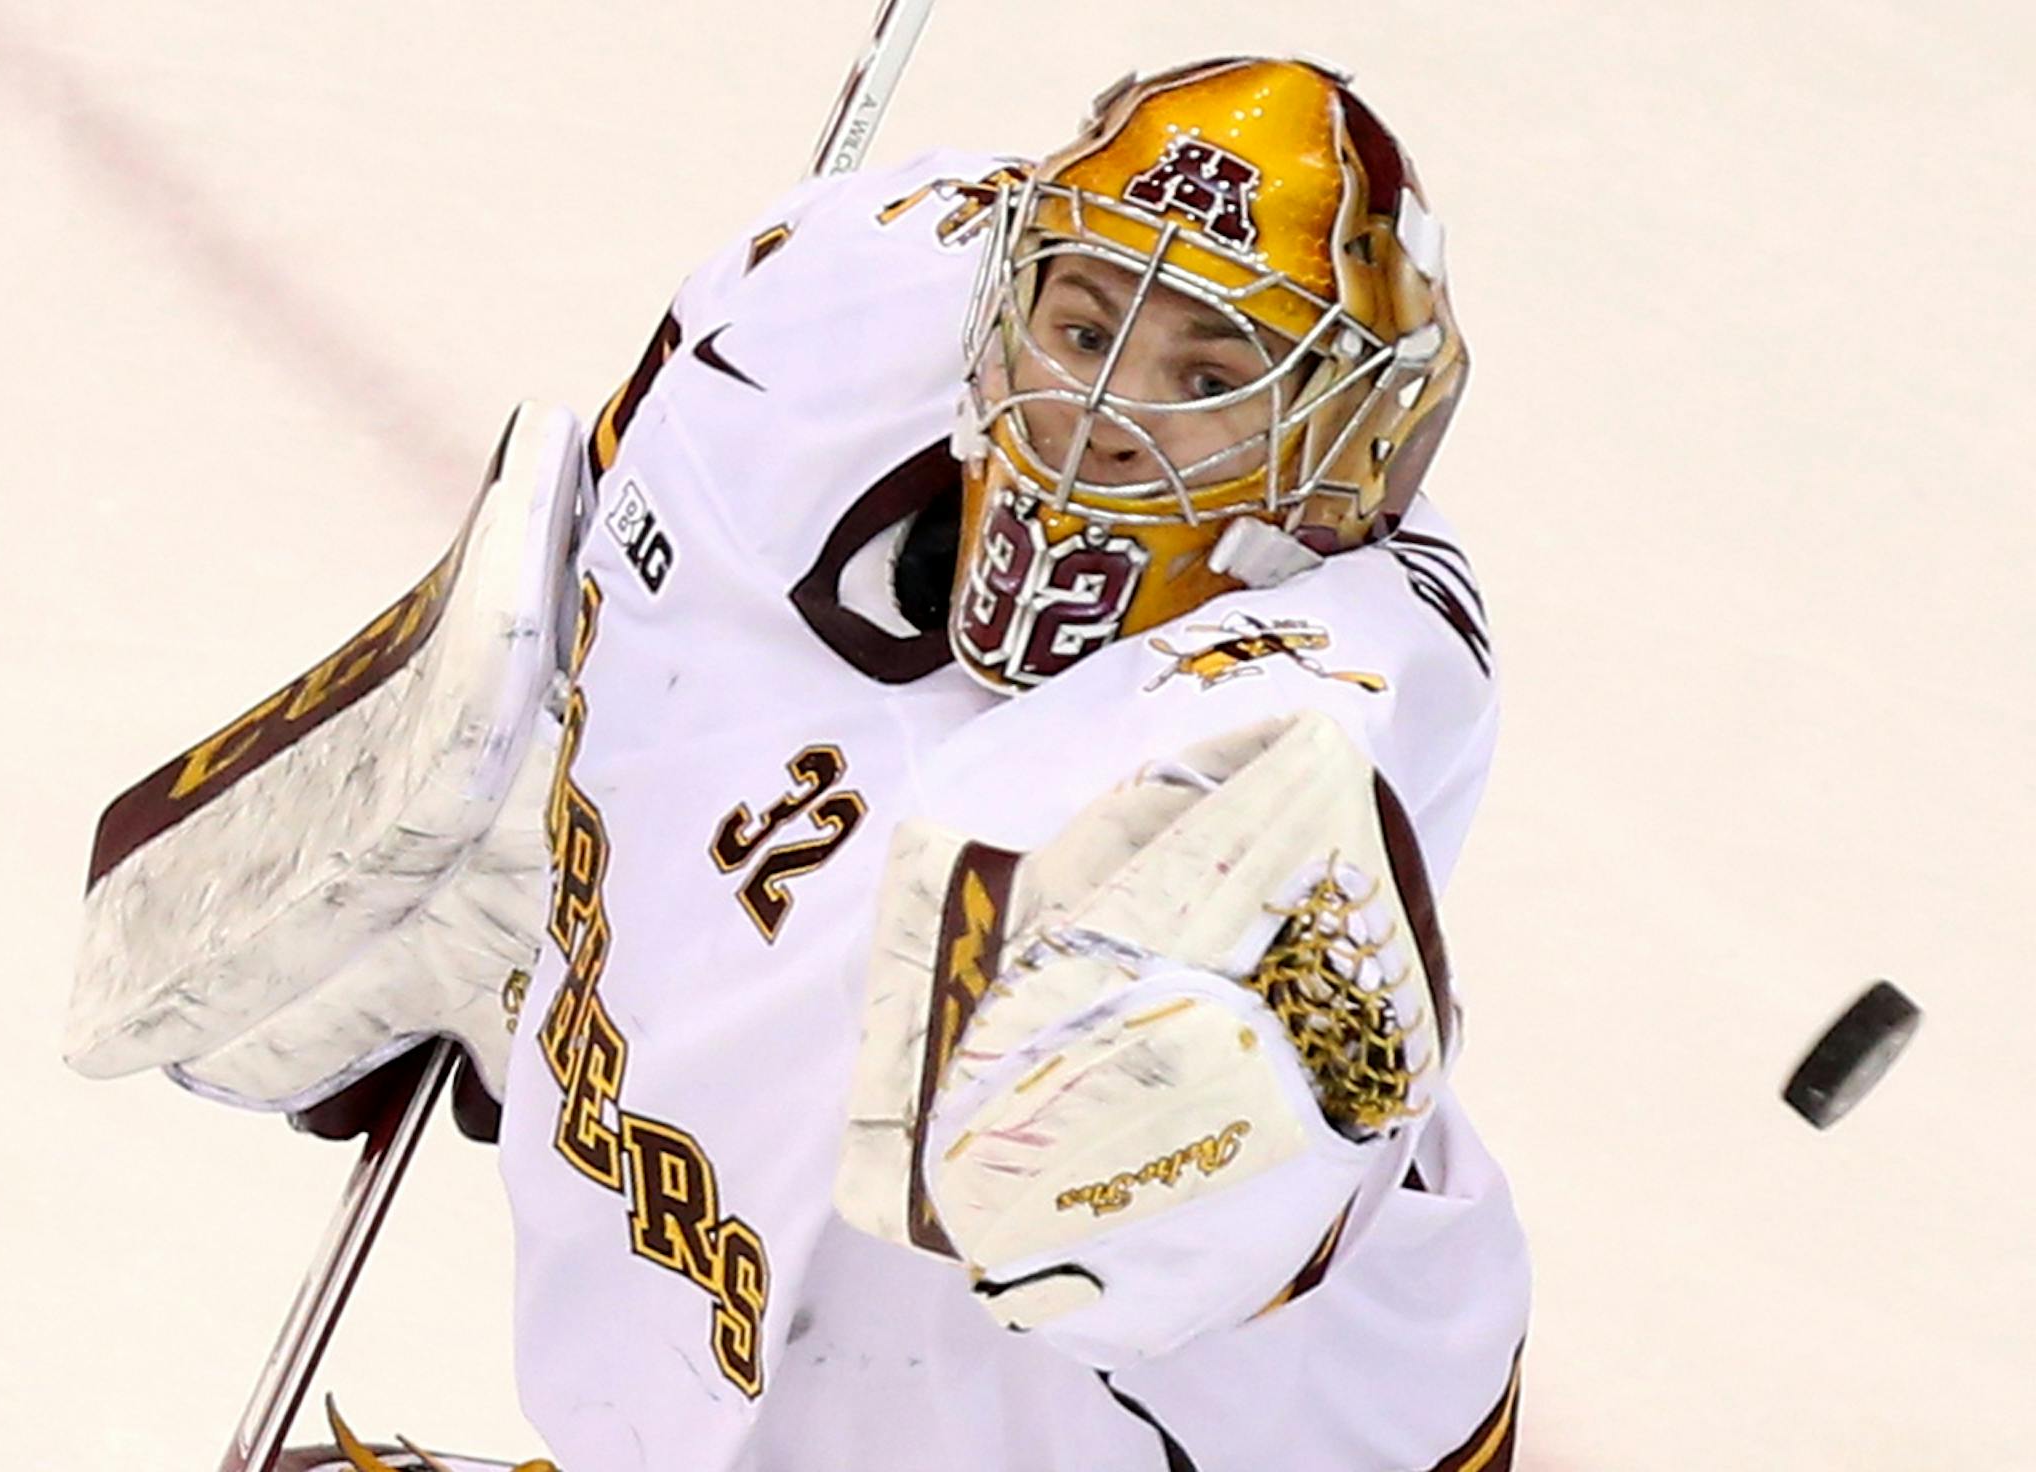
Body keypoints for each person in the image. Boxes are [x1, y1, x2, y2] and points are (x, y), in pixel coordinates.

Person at [496, 53, 1528, 1472]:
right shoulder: (846, 320)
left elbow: (1290, 767)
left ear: (1339, 454)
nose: (1106, 411)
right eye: (1085, 322)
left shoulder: (1319, 700)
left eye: (1212, 375)